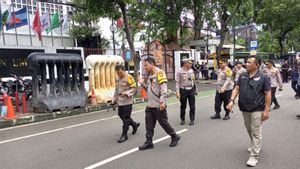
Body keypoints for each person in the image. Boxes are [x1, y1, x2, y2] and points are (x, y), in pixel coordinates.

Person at [226, 55, 271, 167]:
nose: (246, 63)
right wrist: (231, 100)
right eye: (246, 62)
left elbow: (267, 93)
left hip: (257, 109)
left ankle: (254, 156)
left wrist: (266, 110)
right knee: (249, 129)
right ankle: (254, 145)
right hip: (245, 108)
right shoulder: (242, 75)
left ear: (257, 65)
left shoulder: (263, 77)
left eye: (249, 62)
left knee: (255, 132)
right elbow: (237, 88)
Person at [138, 57, 181, 150]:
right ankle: (149, 142)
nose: (145, 67)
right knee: (149, 124)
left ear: (152, 64)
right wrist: (142, 83)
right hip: (150, 105)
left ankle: (174, 136)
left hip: (158, 105)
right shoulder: (150, 75)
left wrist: (162, 102)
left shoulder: (160, 73)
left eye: (146, 65)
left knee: (163, 123)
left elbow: (164, 89)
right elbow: (149, 90)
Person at [112, 64, 140, 143]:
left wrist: (126, 93)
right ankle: (134, 125)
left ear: (124, 71)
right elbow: (116, 90)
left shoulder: (129, 77)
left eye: (120, 73)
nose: (119, 74)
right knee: (120, 115)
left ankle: (124, 135)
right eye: (117, 73)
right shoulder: (117, 78)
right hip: (120, 102)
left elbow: (134, 89)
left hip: (127, 102)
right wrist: (113, 100)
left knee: (126, 119)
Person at [176, 58, 197, 125]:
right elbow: (177, 82)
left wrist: (195, 89)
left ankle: (192, 119)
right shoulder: (179, 71)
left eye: (191, 63)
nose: (191, 64)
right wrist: (177, 91)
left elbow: (193, 80)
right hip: (183, 90)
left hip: (191, 90)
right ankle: (182, 119)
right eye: (189, 63)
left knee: (192, 106)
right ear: (185, 63)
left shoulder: (191, 70)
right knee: (183, 106)